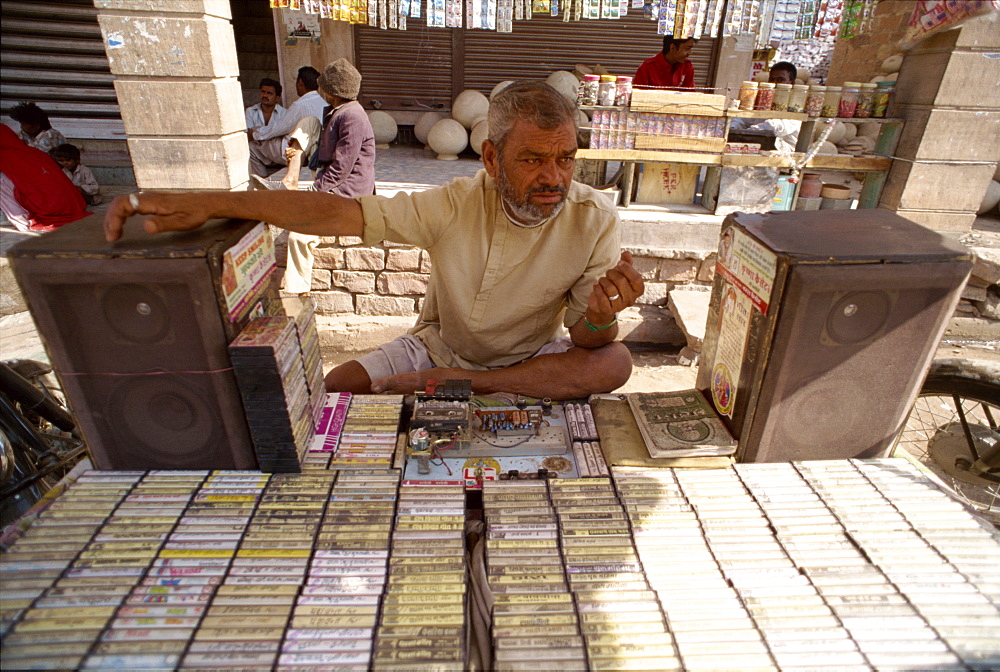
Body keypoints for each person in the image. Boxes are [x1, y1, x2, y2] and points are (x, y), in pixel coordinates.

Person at [105, 81, 643, 401]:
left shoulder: (593, 218)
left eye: (566, 158)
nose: (555, 176)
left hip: (531, 359)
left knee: (615, 362)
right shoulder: (454, 202)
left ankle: (461, 384)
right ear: (492, 159)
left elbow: (591, 340)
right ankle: (450, 377)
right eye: (533, 159)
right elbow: (337, 213)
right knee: (330, 391)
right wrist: (217, 202)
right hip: (437, 348)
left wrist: (599, 314)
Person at [271, 59, 376, 295]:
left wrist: (315, 191)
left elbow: (342, 167)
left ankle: (300, 292)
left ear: (333, 90)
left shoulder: (353, 116)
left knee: (298, 235)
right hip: (330, 176)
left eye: (324, 87)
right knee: (308, 123)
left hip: (347, 193)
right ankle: (291, 177)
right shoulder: (339, 111)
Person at [0, 125, 88, 231]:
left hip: (48, 209)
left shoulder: (5, 156)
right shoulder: (35, 152)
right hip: (71, 206)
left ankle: (23, 222)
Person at [248, 66, 326, 178]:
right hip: (314, 150)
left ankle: (262, 180)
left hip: (295, 151)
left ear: (300, 82)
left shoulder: (300, 105)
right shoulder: (322, 102)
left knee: (252, 147)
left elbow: (278, 129)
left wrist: (255, 134)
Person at [729, 62, 802, 153]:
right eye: (772, 79)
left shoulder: (795, 106)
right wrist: (733, 129)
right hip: (756, 146)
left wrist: (746, 133)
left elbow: (775, 126)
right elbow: (743, 119)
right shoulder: (764, 101)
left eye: (780, 79)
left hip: (782, 153)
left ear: (792, 83)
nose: (775, 84)